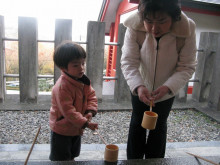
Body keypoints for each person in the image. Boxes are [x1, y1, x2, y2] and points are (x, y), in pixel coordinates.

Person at [121, 0, 197, 159]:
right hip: (140, 88)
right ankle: (133, 162)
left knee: (159, 126)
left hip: (167, 92)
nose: (154, 28)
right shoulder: (134, 26)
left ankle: (155, 162)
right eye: (148, 21)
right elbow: (129, 61)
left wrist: (169, 87)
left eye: (162, 21)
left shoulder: (186, 30)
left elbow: (186, 66)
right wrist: (139, 86)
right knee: (137, 124)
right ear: (142, 17)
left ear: (174, 17)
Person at [49, 41, 98, 161]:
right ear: (63, 67)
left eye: (83, 63)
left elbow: (91, 95)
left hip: (76, 127)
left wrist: (90, 111)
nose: (81, 68)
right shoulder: (62, 87)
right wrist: (85, 123)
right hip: (62, 128)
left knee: (73, 153)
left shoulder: (82, 81)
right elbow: (68, 111)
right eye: (76, 65)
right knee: (61, 157)